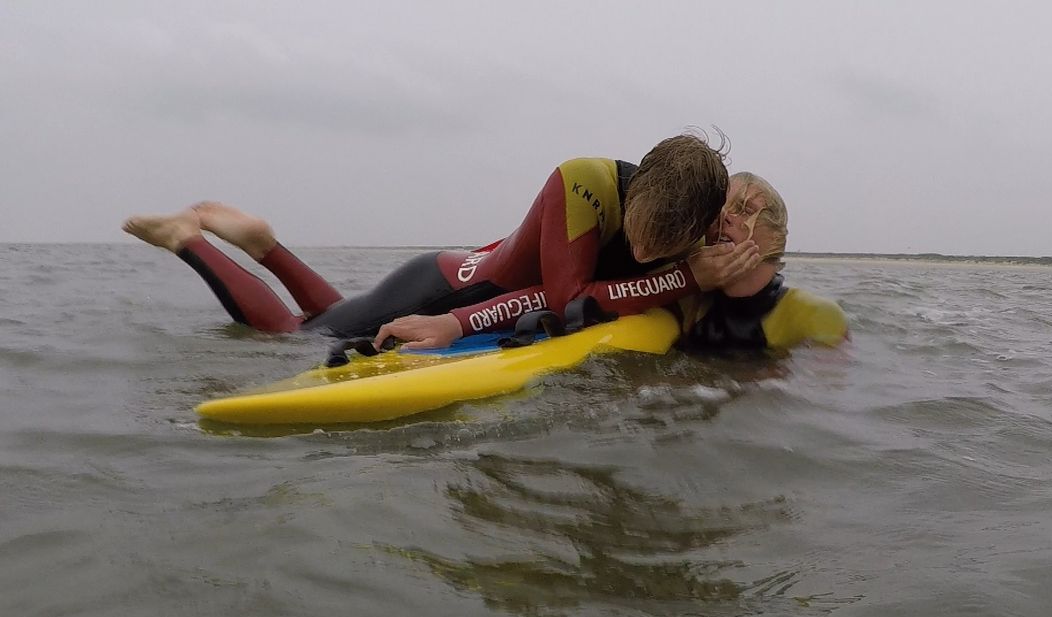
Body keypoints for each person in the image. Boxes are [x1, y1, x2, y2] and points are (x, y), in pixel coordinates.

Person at [122, 133, 761, 349]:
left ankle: (265, 246)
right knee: (296, 338)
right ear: (638, 185)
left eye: (666, 245)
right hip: (446, 284)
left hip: (466, 285)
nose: (646, 253)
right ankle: (189, 239)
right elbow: (566, 300)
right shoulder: (584, 183)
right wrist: (455, 323)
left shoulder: (705, 216)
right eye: (640, 237)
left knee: (333, 318)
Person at [677, 172, 849, 351]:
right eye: (717, 209)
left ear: (775, 235)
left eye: (745, 210)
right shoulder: (687, 306)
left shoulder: (816, 315)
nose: (724, 217)